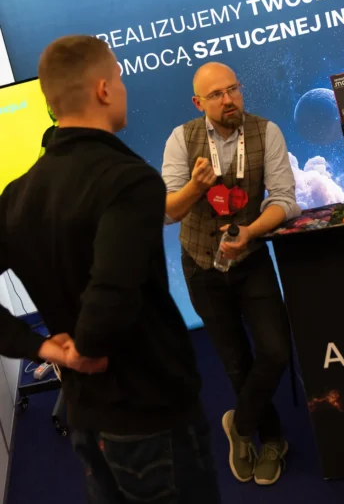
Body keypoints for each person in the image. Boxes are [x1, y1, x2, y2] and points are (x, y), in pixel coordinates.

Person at [0, 36, 221, 504]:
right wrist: (85, 348)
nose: (122, 88)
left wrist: (43, 348)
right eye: (119, 77)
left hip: (86, 415)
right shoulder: (128, 180)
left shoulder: (16, 196)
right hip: (151, 414)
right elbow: (112, 291)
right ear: (103, 89)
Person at [162, 62, 300, 486]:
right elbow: (168, 211)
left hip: (251, 259)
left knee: (276, 351)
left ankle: (238, 426)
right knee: (236, 362)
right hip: (201, 265)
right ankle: (271, 439)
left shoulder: (267, 132)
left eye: (233, 90)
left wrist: (251, 232)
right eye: (217, 95)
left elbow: (284, 200)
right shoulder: (181, 139)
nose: (229, 100)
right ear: (198, 102)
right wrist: (196, 187)